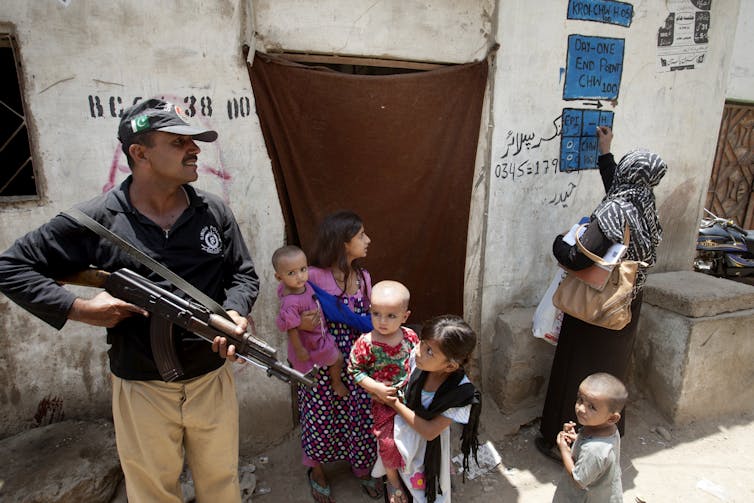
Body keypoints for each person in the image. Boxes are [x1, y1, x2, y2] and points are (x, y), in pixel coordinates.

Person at [0, 98, 259, 503]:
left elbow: (242, 274)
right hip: (141, 387)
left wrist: (235, 311)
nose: (195, 150)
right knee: (152, 493)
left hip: (211, 380)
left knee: (221, 486)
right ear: (139, 153)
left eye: (194, 141)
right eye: (178, 142)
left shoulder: (214, 212)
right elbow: (11, 267)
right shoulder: (95, 221)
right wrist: (79, 309)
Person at [536, 126, 667, 461]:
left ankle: (563, 440)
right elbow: (617, 190)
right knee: (609, 371)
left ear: (627, 173)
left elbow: (578, 257)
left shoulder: (614, 210)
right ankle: (605, 435)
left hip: (595, 308)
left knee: (578, 374)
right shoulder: (644, 206)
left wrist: (559, 242)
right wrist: (604, 153)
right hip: (625, 305)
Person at [301, 210, 383, 502]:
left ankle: (362, 469)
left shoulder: (364, 278)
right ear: (342, 242)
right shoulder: (311, 276)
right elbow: (291, 307)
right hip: (322, 362)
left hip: (358, 362)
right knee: (320, 416)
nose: (368, 240)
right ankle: (318, 471)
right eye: (361, 235)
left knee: (360, 415)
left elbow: (372, 320)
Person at [378, 315, 482, 503]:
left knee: (426, 488)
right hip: (404, 436)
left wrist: (394, 404)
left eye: (429, 352)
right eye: (421, 343)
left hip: (429, 447)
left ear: (450, 366)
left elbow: (430, 431)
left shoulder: (461, 394)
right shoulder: (416, 361)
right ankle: (395, 484)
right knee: (403, 473)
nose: (418, 352)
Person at [348, 280, 419, 503]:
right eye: (376, 314)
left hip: (411, 400)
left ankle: (419, 475)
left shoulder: (410, 337)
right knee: (387, 443)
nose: (382, 321)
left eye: (391, 316)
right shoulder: (365, 343)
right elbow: (355, 370)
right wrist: (376, 387)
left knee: (415, 440)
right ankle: (393, 481)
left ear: (405, 316)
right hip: (383, 402)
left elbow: (419, 362)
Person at [273, 245, 348, 397]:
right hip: (311, 342)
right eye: (291, 273)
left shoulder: (304, 285)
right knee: (337, 359)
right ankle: (336, 382)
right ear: (279, 277)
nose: (300, 276)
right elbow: (291, 328)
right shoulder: (290, 302)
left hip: (319, 335)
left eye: (303, 269)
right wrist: (299, 349)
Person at [552, 372, 627, 502]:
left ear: (612, 418)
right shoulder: (608, 429)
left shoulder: (594, 451)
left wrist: (564, 450)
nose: (581, 408)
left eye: (591, 407)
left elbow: (579, 480)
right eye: (580, 399)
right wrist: (578, 439)